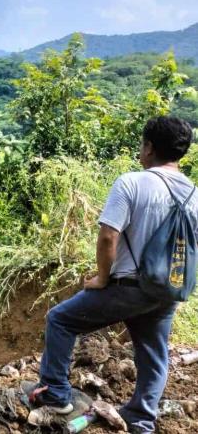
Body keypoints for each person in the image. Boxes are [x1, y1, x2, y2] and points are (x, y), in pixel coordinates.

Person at [29, 116, 196, 434]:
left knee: (60, 320)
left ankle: (56, 396)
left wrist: (102, 278)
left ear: (148, 147)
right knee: (154, 352)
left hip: (128, 285)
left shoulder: (132, 182)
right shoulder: (194, 195)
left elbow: (108, 236)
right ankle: (142, 419)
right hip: (167, 289)